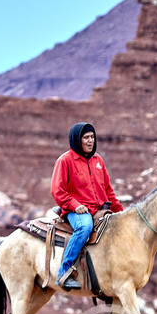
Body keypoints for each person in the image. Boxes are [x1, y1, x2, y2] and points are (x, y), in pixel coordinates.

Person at [49, 122, 124, 290]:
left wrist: (121, 212)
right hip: (76, 211)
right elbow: (57, 190)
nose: (90, 141)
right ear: (77, 139)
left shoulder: (98, 161)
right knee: (85, 227)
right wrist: (75, 205)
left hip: (99, 209)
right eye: (86, 137)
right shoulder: (65, 161)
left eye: (92, 137)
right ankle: (64, 272)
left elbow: (107, 190)